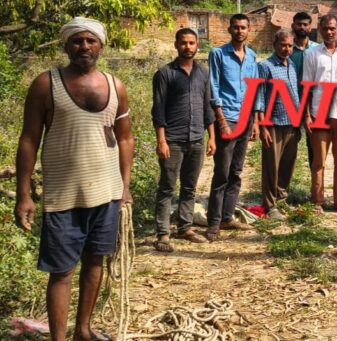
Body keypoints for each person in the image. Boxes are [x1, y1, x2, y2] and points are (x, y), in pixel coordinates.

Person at [15, 17, 134, 341]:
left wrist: (124, 186)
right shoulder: (46, 84)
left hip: (106, 193)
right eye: (77, 41)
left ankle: (83, 329)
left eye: (90, 40)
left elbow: (125, 138)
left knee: (95, 261)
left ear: (101, 45)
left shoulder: (115, 86)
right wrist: (23, 194)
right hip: (63, 196)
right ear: (66, 45)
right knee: (62, 271)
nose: (84, 46)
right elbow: (29, 140)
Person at [151, 28, 216, 252]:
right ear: (176, 45)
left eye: (191, 43)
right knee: (167, 187)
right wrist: (161, 141)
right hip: (173, 140)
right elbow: (158, 110)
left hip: (197, 138)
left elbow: (208, 107)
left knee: (190, 187)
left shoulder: (203, 73)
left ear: (197, 45)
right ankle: (163, 233)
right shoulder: (165, 74)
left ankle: (185, 227)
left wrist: (211, 137)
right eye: (183, 43)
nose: (187, 47)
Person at [207, 14, 259, 240]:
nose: (240, 31)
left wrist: (255, 121)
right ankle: (214, 222)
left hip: (246, 119)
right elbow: (213, 86)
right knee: (222, 172)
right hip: (227, 117)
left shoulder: (252, 56)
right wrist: (220, 119)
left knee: (236, 172)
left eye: (243, 27)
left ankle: (227, 217)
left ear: (249, 30)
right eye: (236, 27)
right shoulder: (218, 54)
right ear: (230, 29)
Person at [303, 14, 337, 214]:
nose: (329, 32)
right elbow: (307, 87)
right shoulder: (312, 54)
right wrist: (307, 115)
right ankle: (317, 202)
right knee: (319, 161)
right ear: (320, 30)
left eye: (332, 28)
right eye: (325, 28)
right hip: (319, 114)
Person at [255, 29, 301, 220]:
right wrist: (262, 126)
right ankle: (270, 205)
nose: (286, 49)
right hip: (273, 123)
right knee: (271, 166)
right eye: (283, 45)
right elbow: (259, 97)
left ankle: (281, 199)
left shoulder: (292, 65)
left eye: (290, 46)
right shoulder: (265, 66)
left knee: (287, 164)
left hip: (292, 123)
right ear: (275, 44)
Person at [289, 11, 318, 166]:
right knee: (288, 145)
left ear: (310, 27)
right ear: (293, 26)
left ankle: (315, 180)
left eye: (305, 24)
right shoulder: (286, 48)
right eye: (299, 24)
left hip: (313, 104)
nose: (302, 27)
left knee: (314, 145)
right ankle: (285, 180)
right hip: (290, 103)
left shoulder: (317, 50)